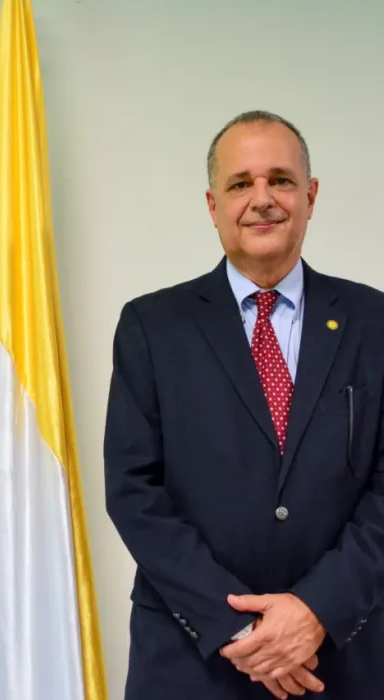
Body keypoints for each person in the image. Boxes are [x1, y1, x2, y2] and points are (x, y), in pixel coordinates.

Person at [103, 110, 384, 700]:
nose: (262, 199)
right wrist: (240, 629)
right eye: (240, 183)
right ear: (213, 205)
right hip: (191, 663)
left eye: (280, 180)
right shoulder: (152, 326)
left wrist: (316, 610)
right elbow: (134, 491)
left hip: (342, 661)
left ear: (310, 196)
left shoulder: (375, 322)